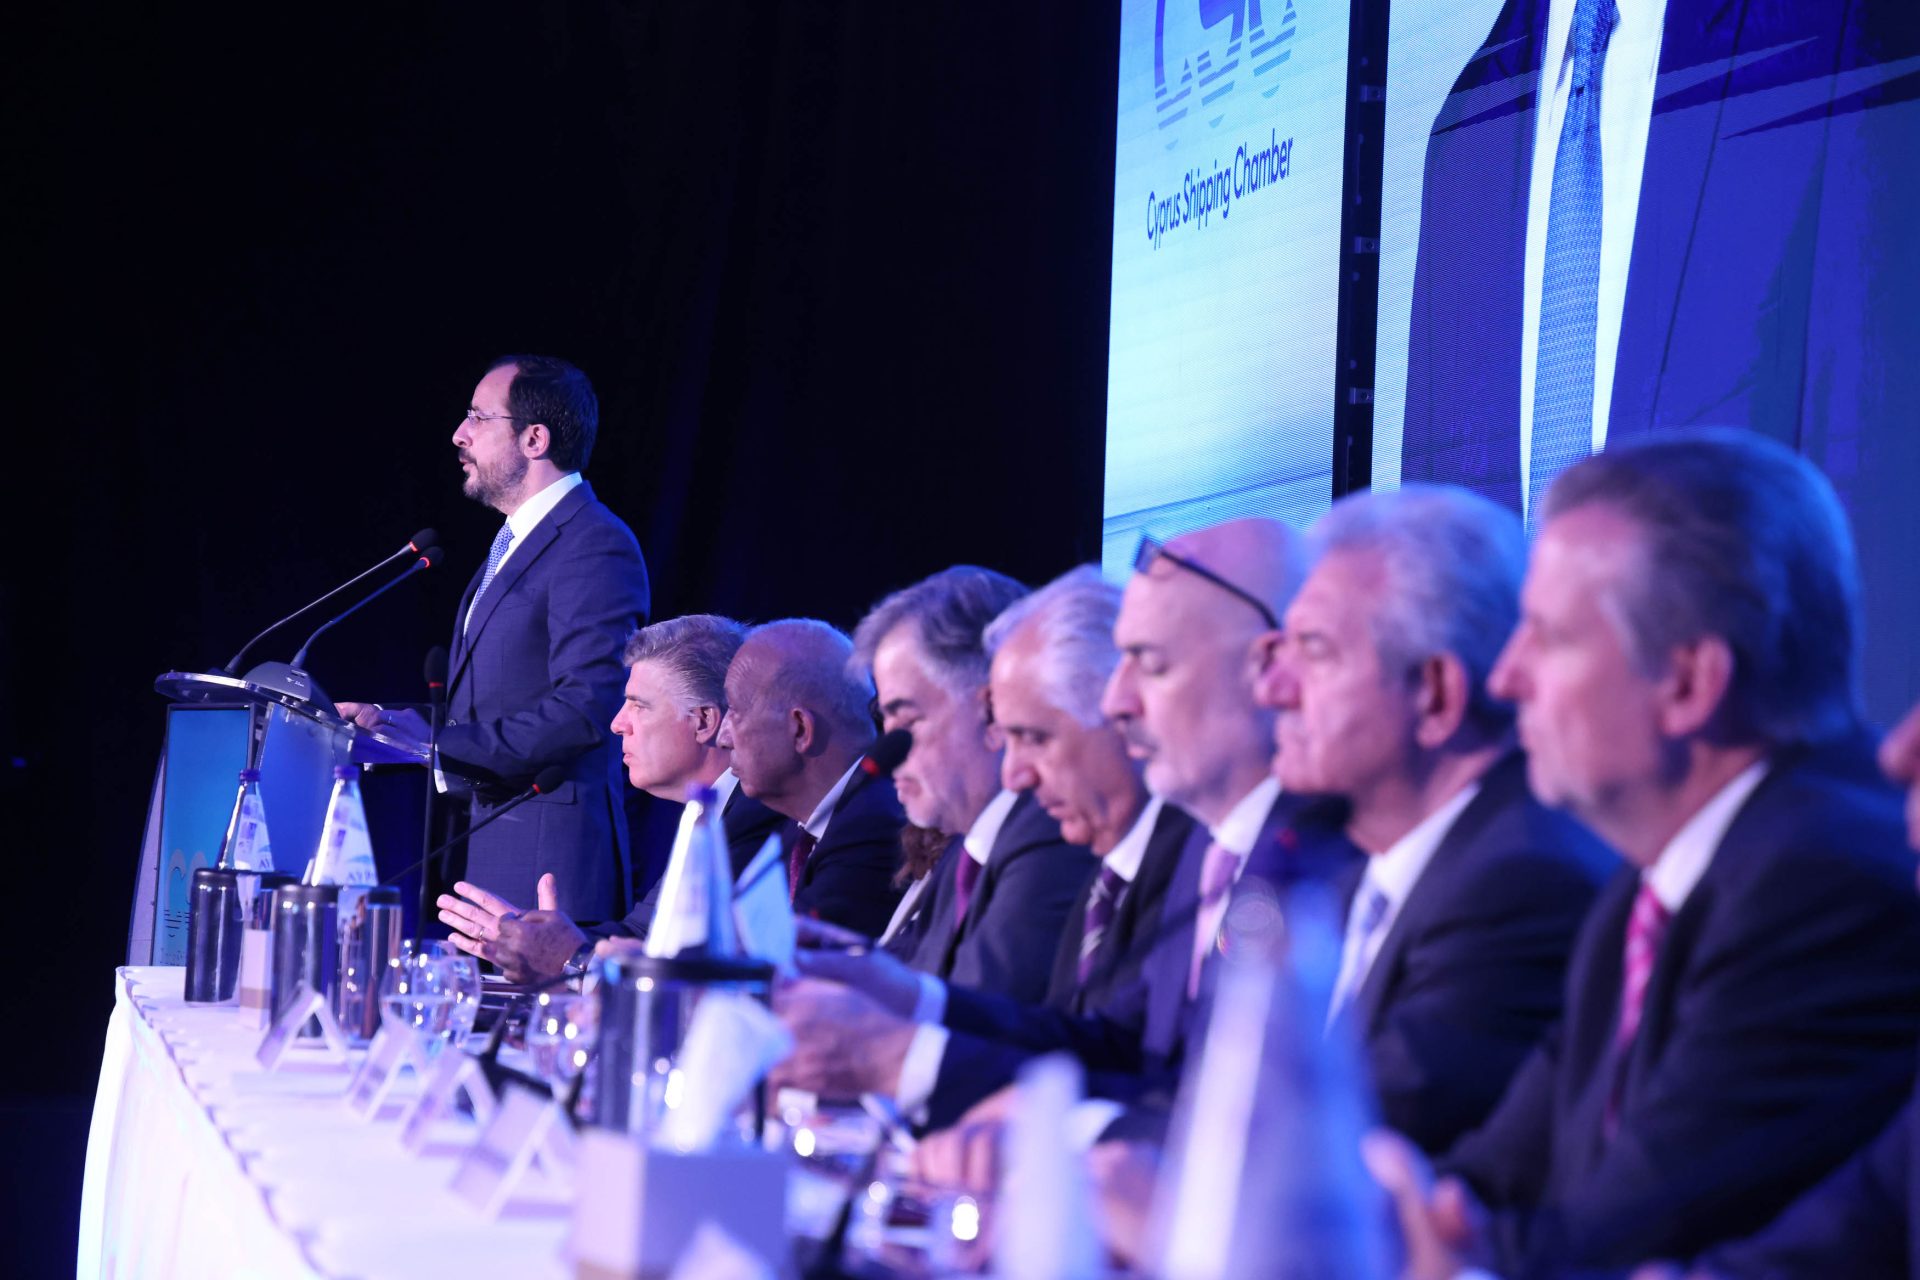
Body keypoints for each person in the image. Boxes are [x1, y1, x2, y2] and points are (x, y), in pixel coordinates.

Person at [1365, 430, 1920, 1276]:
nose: (1506, 677)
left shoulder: (1821, 880)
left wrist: (1372, 1236)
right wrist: (1407, 1211)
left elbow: (1620, 1239)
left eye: (1547, 637)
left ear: (1688, 683)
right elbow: (1488, 1182)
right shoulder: (1650, 883)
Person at [1256, 485, 1614, 1156]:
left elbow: (1333, 1136)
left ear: (1435, 694)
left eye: (1315, 650)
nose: (1271, 689)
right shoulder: (1353, 864)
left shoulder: (1521, 882)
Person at [773, 567, 1194, 1112]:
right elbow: (1090, 1043)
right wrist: (876, 982)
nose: (1016, 775)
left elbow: (1117, 1069)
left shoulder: (1064, 835)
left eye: (1032, 735)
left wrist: (900, 1059)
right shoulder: (974, 849)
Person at [339, 354, 650, 920]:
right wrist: (398, 728)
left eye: (479, 418)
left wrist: (439, 747)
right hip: (487, 855)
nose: (459, 435)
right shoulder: (515, 542)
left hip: (548, 873)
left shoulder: (593, 543)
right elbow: (496, 706)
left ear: (534, 439)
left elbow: (587, 707)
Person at [432, 614, 781, 981]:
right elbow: (644, 937)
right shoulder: (715, 813)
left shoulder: (755, 819)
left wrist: (571, 958)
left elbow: (683, 965)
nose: (617, 723)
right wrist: (531, 940)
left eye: (638, 706)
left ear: (704, 721)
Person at [850, 566, 1093, 1000]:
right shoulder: (965, 849)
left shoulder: (1050, 830)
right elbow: (916, 974)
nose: (889, 753)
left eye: (908, 721)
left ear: (992, 710)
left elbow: (980, 1011)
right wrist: (832, 962)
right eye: (885, 721)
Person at [717, 619, 906, 935]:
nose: (723, 738)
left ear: (801, 729)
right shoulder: (795, 830)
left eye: (735, 711)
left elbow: (784, 955)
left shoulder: (872, 828)